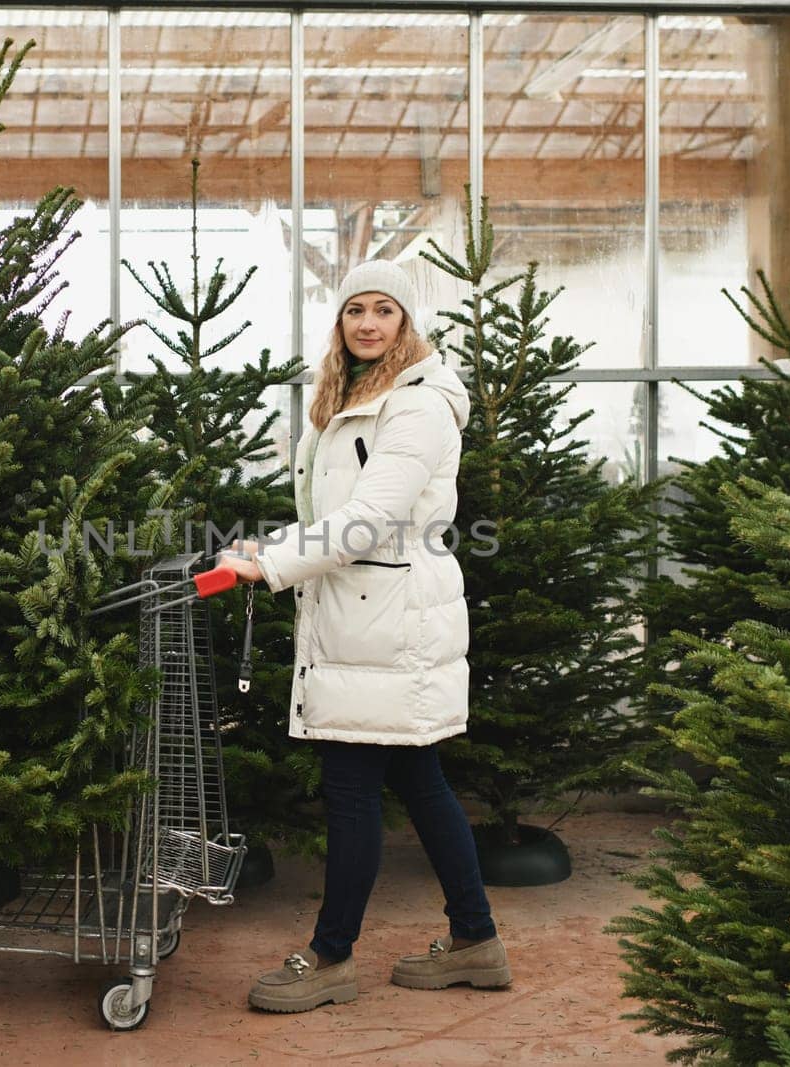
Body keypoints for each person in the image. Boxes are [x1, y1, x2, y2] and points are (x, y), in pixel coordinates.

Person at [216, 259, 509, 1014]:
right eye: (356, 310)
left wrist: (275, 564)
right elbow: (330, 514)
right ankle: (476, 939)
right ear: (340, 322)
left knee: (352, 787)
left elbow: (371, 519)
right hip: (367, 613)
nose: (369, 323)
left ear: (408, 323)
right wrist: (266, 550)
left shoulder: (414, 407)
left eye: (385, 310)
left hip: (390, 620)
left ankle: (333, 955)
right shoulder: (351, 398)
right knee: (419, 780)